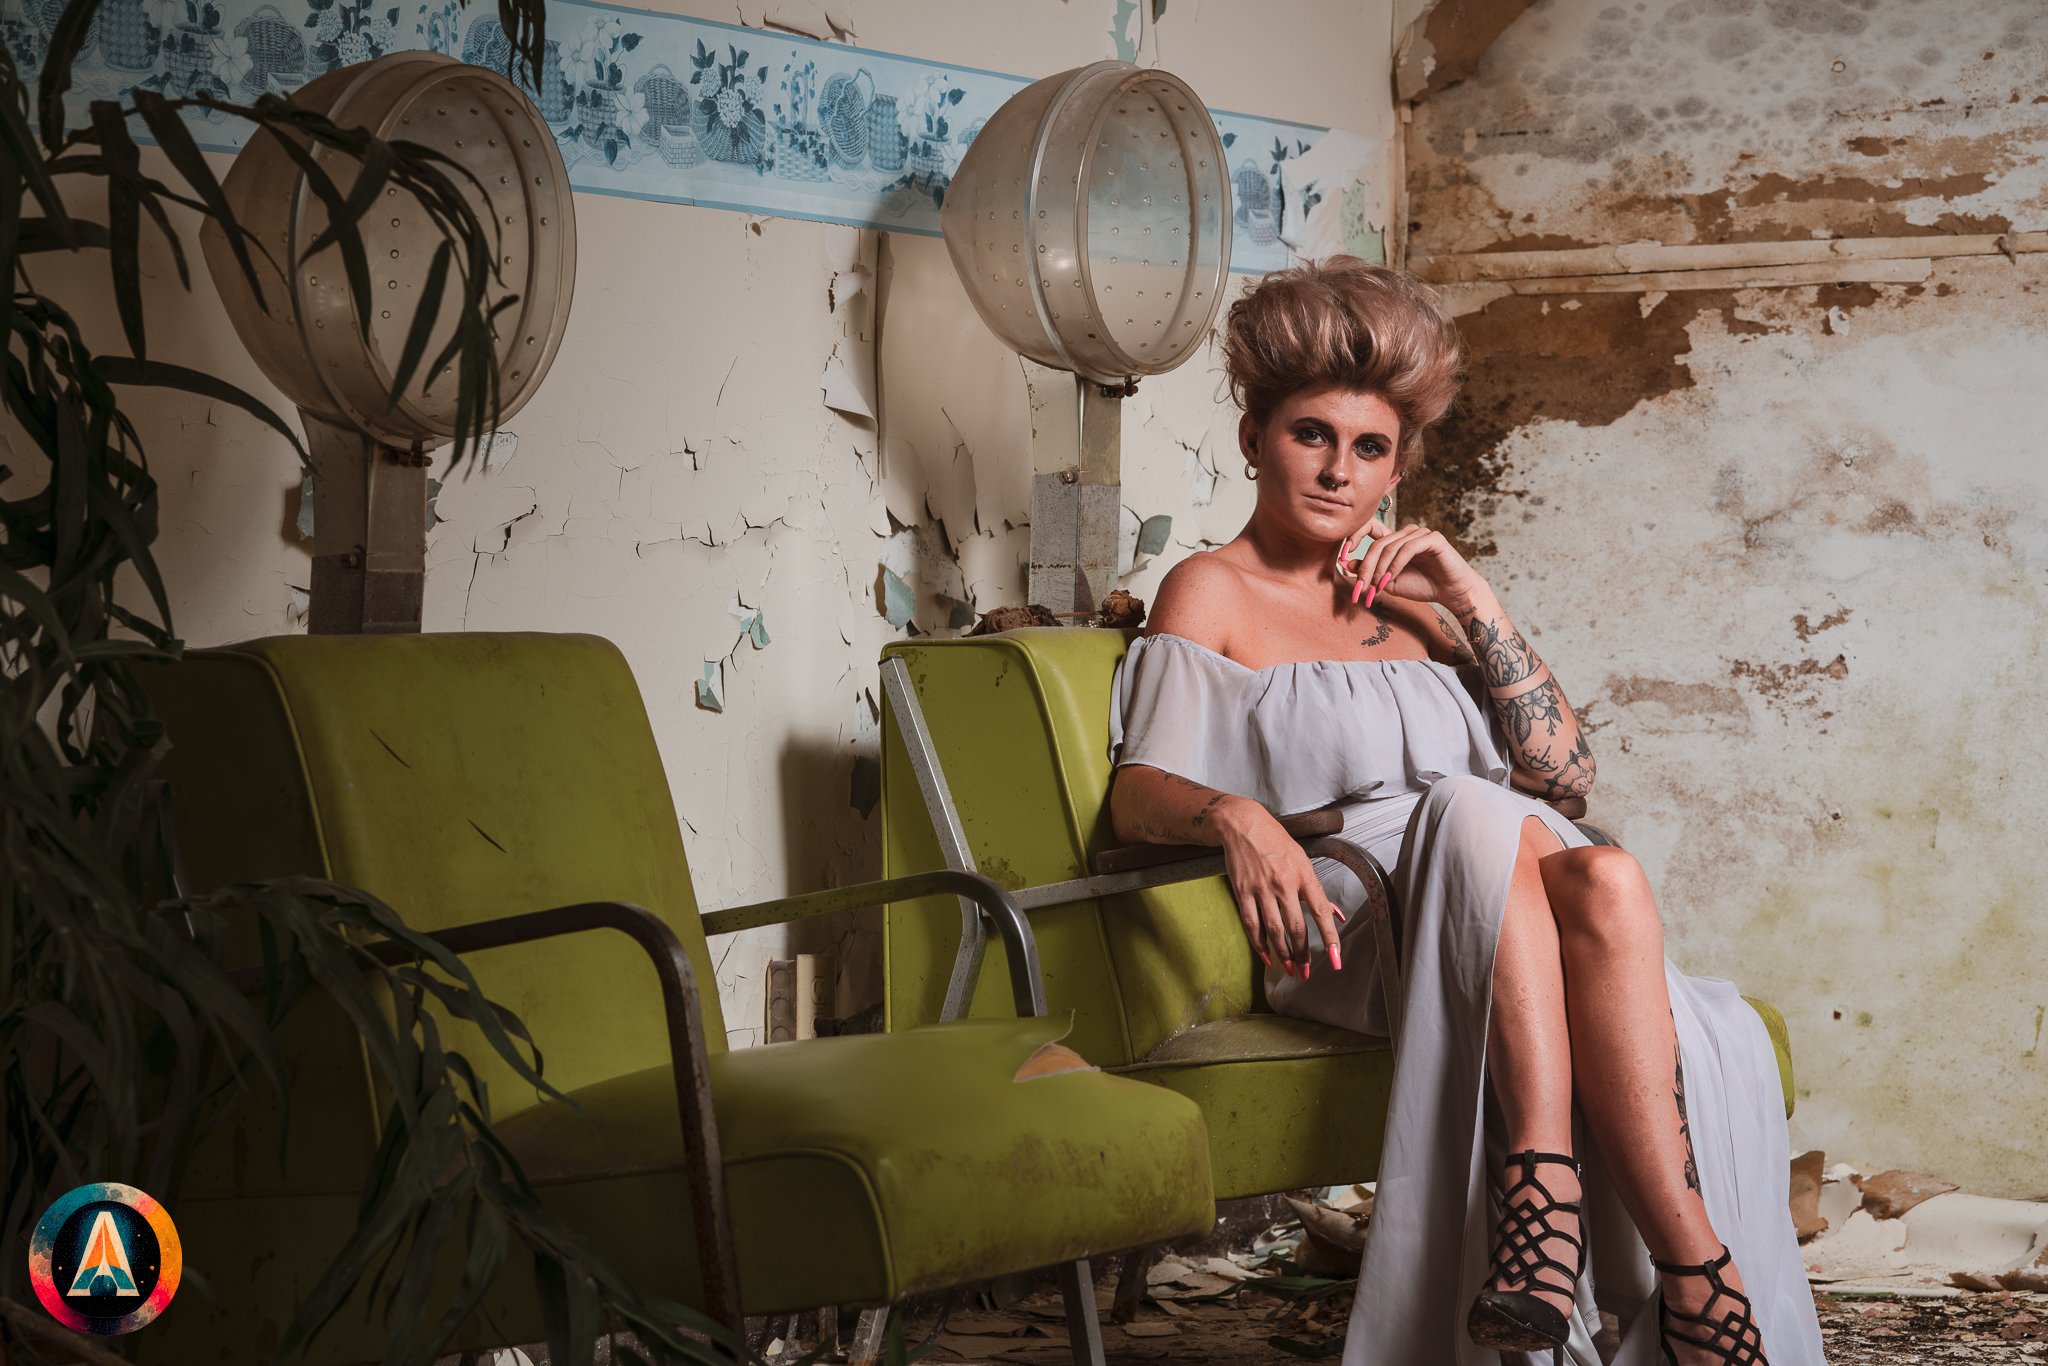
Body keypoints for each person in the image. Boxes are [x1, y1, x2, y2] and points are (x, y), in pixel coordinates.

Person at [1104, 257, 1825, 1366]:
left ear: (1396, 464)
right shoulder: (1211, 585)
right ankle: (1594, 1219)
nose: (1337, 471)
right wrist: (1239, 818)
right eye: (1310, 435)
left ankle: (1683, 1265)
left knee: (1606, 871)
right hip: (1359, 915)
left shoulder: (1414, 603)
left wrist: (1471, 600)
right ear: (1252, 437)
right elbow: (1136, 789)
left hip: (1510, 882)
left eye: (1369, 449)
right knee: (1469, 811)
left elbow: (1563, 774)